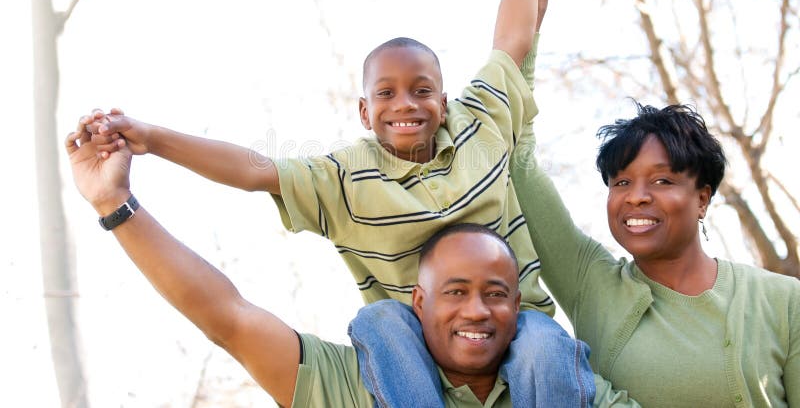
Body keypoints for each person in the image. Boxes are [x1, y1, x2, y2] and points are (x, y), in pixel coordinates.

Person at [83, 0, 597, 407]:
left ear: (444, 102)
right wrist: (153, 140)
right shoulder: (345, 179)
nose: (405, 105)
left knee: (543, 344)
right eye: (387, 94)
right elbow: (250, 170)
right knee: (380, 323)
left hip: (521, 322)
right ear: (362, 111)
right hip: (417, 350)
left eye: (422, 91)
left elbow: (510, 44)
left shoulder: (479, 123)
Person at [64, 126, 637, 406]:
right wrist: (116, 207)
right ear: (419, 302)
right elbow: (229, 318)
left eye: (496, 292)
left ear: (519, 303)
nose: (477, 310)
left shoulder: (567, 385)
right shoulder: (368, 383)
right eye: (455, 291)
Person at [497, 0, 800, 405]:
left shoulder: (783, 302)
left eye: (661, 180)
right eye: (621, 181)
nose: (636, 195)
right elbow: (516, 153)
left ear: (702, 197)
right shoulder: (590, 283)